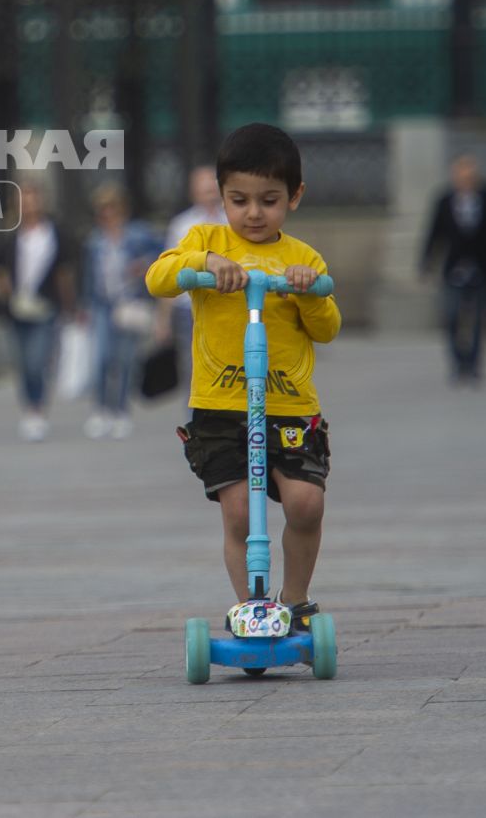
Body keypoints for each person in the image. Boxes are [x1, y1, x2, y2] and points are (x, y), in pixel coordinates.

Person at [147, 123, 341, 626]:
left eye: (269, 200)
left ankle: (295, 602)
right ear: (221, 195)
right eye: (239, 200)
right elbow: (159, 277)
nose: (253, 213)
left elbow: (328, 328)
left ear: (294, 197)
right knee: (237, 511)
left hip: (289, 403)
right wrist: (205, 262)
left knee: (305, 503)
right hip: (221, 404)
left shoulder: (302, 258)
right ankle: (253, 609)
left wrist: (308, 291)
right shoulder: (206, 240)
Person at [0, 182, 72, 441]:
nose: (29, 204)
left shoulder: (53, 233)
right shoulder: (11, 234)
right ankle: (28, 407)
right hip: (17, 307)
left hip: (45, 306)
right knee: (23, 362)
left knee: (37, 360)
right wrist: (6, 294)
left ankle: (37, 408)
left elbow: (63, 272)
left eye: (33, 198)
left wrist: (69, 303)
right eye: (24, 200)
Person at [81, 184, 162, 440]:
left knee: (126, 360)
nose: (108, 215)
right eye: (103, 211)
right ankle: (102, 409)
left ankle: (121, 412)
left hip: (130, 304)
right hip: (104, 304)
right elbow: (88, 275)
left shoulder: (137, 234)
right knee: (103, 358)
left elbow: (163, 253)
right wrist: (84, 305)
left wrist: (144, 265)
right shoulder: (95, 240)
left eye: (112, 209)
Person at [420, 155, 486, 385]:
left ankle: (474, 362)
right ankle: (458, 361)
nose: (466, 179)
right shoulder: (444, 200)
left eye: (470, 175)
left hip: (483, 267)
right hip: (454, 269)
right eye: (461, 174)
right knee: (451, 316)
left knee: (480, 318)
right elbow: (434, 232)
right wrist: (426, 262)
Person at [166, 167, 226, 403]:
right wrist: (163, 319)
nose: (209, 195)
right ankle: (196, 425)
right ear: (194, 193)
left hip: (225, 305)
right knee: (194, 371)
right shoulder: (182, 224)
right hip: (188, 309)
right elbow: (169, 269)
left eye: (213, 189)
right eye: (204, 190)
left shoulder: (232, 222)